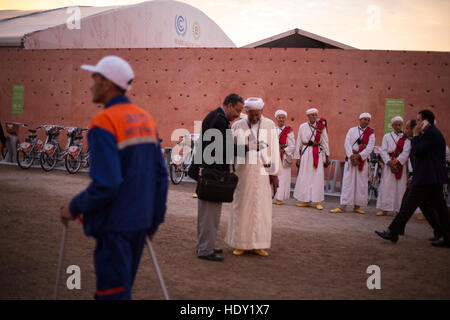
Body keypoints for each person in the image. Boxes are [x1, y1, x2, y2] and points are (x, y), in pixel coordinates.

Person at [59, 56, 169, 300]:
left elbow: (107, 184)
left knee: (112, 295)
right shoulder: (146, 119)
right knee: (122, 291)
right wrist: (153, 222)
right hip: (139, 224)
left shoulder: (104, 121)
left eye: (95, 78)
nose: (91, 84)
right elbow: (161, 177)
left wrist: (73, 207)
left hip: (115, 226)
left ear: (108, 83)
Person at [375, 110, 450, 247]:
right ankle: (442, 233)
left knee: (408, 205)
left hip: (428, 178)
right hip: (428, 178)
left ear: (426, 121)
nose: (415, 126)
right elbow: (422, 158)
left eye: (419, 120)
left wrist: (415, 135)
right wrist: (414, 175)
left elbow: (418, 151)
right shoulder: (428, 134)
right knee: (435, 207)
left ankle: (393, 231)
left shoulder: (431, 134)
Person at [225, 97, 280, 257]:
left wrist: (275, 175)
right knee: (242, 207)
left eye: (258, 115)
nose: (255, 118)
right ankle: (240, 243)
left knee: (261, 209)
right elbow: (229, 151)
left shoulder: (270, 125)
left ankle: (258, 244)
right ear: (246, 112)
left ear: (262, 111)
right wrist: (229, 171)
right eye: (251, 115)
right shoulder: (237, 125)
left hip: (263, 174)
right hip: (243, 173)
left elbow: (274, 151)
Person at [195, 93, 244, 262]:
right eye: (237, 110)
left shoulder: (215, 116)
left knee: (206, 214)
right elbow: (227, 149)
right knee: (211, 214)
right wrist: (251, 148)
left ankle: (204, 245)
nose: (238, 114)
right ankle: (205, 249)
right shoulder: (219, 120)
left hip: (208, 171)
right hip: (213, 174)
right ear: (229, 105)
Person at [331, 113, 375, 214]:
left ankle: (357, 206)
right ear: (359, 119)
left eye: (368, 120)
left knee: (361, 183)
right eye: (364, 119)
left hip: (362, 161)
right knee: (347, 183)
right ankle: (342, 206)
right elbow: (347, 143)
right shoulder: (352, 130)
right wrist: (351, 156)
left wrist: (359, 156)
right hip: (351, 159)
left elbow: (370, 147)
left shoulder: (371, 133)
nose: (366, 121)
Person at [293, 108, 330, 210]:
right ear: (308, 116)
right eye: (312, 115)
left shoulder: (321, 127)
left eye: (315, 115)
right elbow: (299, 142)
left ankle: (317, 201)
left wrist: (327, 155)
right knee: (305, 176)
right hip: (306, 153)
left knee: (317, 177)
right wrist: (297, 157)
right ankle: (306, 200)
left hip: (317, 153)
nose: (314, 116)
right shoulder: (302, 126)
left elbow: (325, 142)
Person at [376, 116, 411, 216]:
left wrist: (397, 162)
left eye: (399, 124)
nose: (398, 126)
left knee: (400, 187)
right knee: (387, 185)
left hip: (400, 165)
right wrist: (388, 162)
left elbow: (406, 152)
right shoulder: (387, 136)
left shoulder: (406, 138)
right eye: (395, 125)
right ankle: (385, 209)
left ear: (402, 125)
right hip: (389, 165)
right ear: (392, 125)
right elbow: (383, 150)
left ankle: (398, 209)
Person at [273, 109, 295, 205]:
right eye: (279, 117)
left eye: (283, 118)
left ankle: (280, 198)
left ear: (285, 119)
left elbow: (292, 145)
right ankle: (273, 196)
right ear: (276, 118)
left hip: (284, 156)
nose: (281, 119)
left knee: (282, 177)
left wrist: (283, 150)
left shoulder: (288, 130)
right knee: (274, 176)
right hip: (274, 155)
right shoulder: (273, 129)